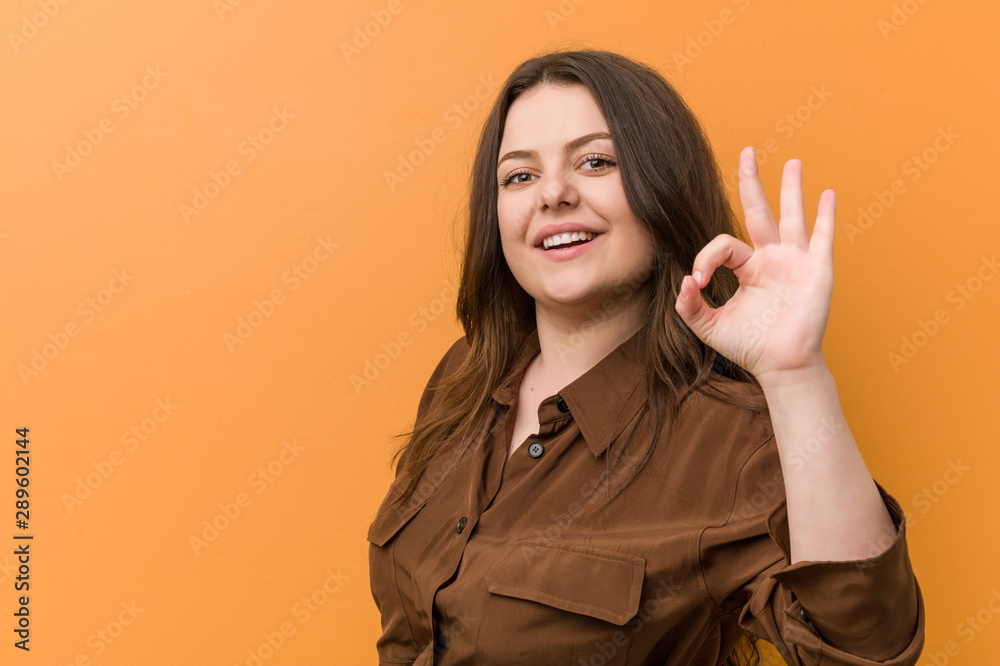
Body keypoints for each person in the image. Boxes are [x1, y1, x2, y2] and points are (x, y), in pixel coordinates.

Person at [367, 49, 924, 665]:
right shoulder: (463, 377)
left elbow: (865, 646)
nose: (553, 193)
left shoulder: (730, 442)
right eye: (519, 176)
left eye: (596, 161)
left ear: (664, 194)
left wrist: (797, 377)